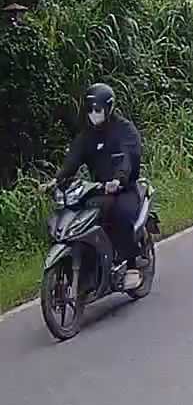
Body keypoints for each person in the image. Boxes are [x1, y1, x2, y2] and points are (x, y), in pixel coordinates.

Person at [52, 83, 146, 286]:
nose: (93, 114)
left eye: (97, 109)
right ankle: (88, 266)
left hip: (124, 189)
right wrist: (57, 179)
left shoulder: (124, 130)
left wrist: (119, 179)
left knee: (121, 214)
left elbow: (128, 158)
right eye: (89, 109)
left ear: (108, 108)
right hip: (98, 189)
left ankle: (131, 265)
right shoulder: (86, 135)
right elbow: (72, 160)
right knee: (74, 213)